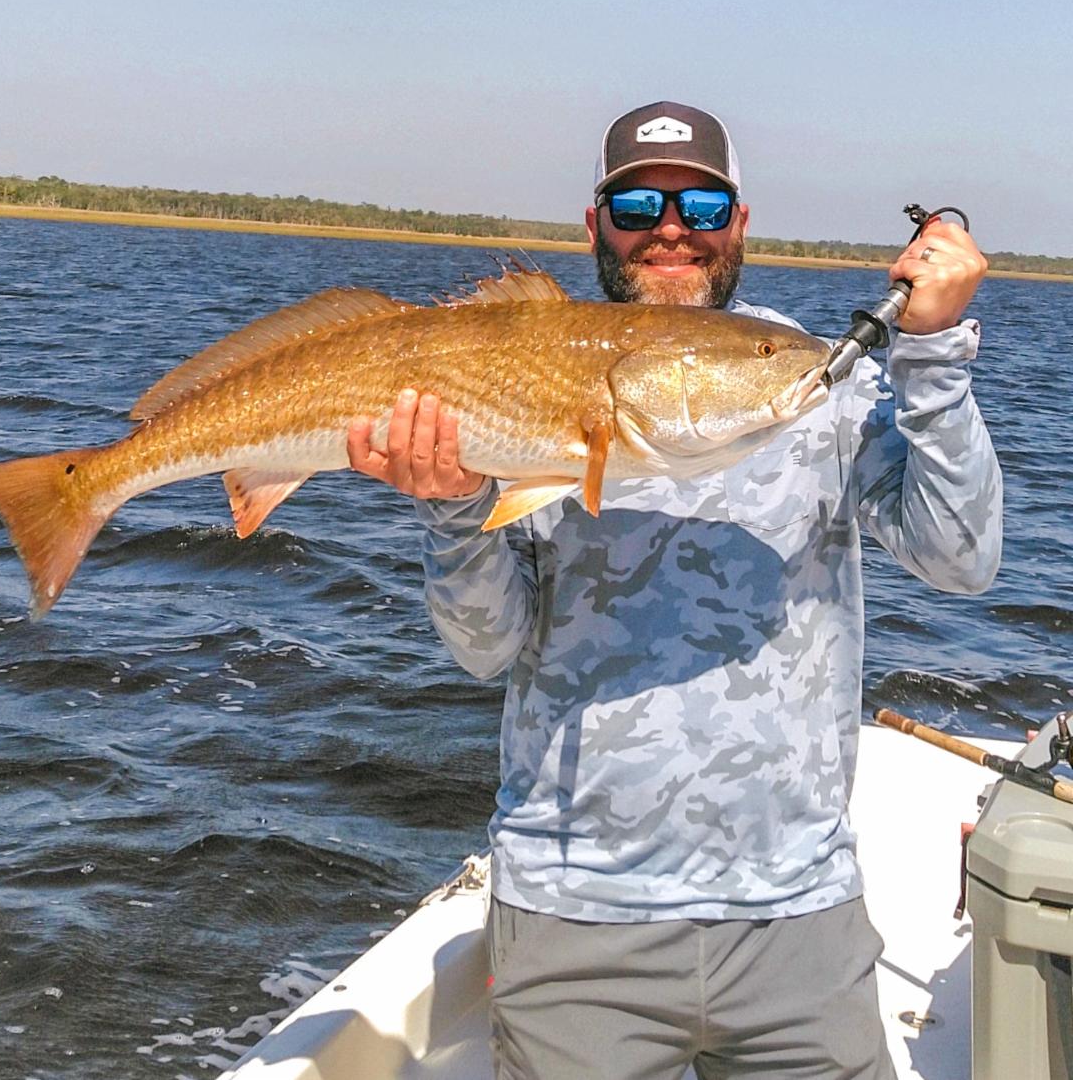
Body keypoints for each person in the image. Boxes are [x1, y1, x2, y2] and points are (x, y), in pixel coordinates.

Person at [348, 101, 1003, 1080]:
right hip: (574, 922)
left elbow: (962, 556)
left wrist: (936, 355)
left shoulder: (814, 381)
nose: (670, 229)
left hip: (799, 922)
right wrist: (451, 509)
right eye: (637, 206)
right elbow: (486, 649)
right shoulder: (523, 384)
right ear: (595, 226)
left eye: (701, 205)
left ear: (739, 223)